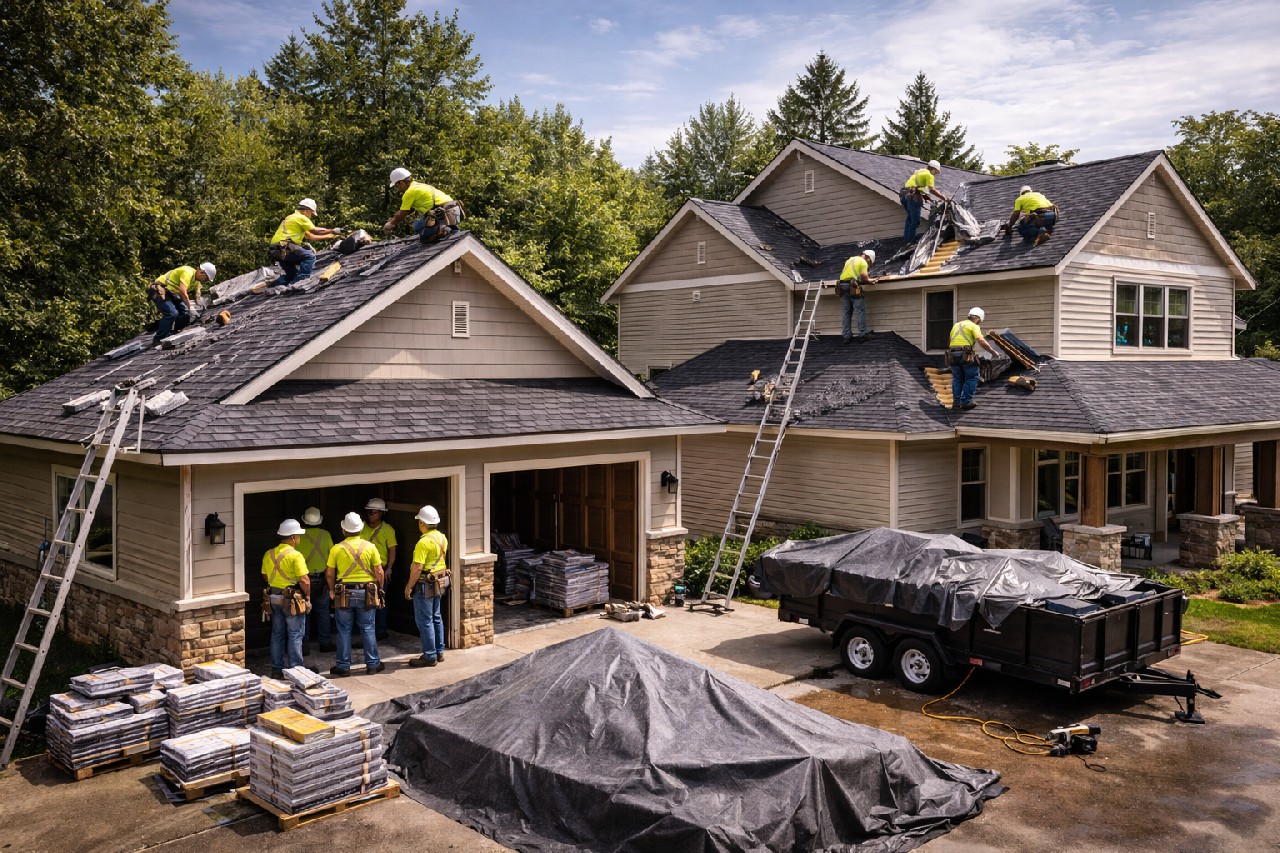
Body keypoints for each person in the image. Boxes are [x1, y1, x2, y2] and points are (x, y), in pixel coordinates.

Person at [326, 511, 385, 676]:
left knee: (343, 630)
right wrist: (380, 589)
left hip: (344, 592)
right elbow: (379, 572)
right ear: (360, 530)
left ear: (344, 531)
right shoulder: (370, 547)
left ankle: (343, 667)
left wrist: (331, 590)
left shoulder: (336, 549)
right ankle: (373, 665)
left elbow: (330, 574)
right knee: (367, 628)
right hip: (366, 592)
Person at [262, 519, 311, 678]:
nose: (299, 539)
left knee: (277, 634)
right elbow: (304, 580)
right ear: (292, 538)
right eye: (298, 536)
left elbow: (265, 575)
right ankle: (296, 670)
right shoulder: (296, 555)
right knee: (295, 634)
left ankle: (277, 670)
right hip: (291, 601)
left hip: (273, 599)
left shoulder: (268, 554)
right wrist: (308, 597)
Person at [405, 505, 448, 668]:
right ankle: (439, 651)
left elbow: (417, 568)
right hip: (440, 581)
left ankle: (429, 655)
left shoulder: (423, 543)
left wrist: (409, 586)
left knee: (425, 620)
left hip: (425, 584)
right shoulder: (442, 538)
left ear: (422, 522)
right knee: (436, 616)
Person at [268, 198, 341, 287]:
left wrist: (329, 236)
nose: (310, 216)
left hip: (276, 250)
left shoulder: (291, 218)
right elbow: (315, 231)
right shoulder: (301, 217)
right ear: (306, 211)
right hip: (284, 246)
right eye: (311, 213)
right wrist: (332, 230)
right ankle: (300, 282)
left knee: (292, 275)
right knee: (309, 256)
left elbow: (310, 236)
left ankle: (272, 286)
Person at [384, 168, 462, 244]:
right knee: (426, 223)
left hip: (441, 214)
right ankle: (452, 231)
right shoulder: (418, 185)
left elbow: (402, 214)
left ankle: (444, 230)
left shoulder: (409, 193)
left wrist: (391, 223)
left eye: (397, 186)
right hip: (454, 211)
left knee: (417, 227)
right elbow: (409, 209)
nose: (398, 188)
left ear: (401, 183)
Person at [296, 507, 335, 653]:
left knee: (304, 611)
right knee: (323, 611)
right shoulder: (326, 535)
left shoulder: (299, 537)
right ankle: (325, 642)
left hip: (304, 578)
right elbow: (332, 557)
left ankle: (304, 645)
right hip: (323, 578)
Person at [148, 263, 215, 344]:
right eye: (206, 278)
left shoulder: (197, 281)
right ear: (202, 273)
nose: (205, 281)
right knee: (172, 313)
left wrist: (200, 304)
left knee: (185, 313)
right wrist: (190, 307)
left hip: (172, 293)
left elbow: (197, 294)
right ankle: (158, 339)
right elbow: (182, 291)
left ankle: (175, 332)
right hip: (159, 289)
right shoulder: (188, 272)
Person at [361, 498, 398, 640]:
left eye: (373, 512)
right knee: (366, 602)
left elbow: (392, 550)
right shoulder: (362, 527)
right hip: (364, 571)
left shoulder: (387, 530)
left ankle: (381, 630)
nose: (370, 515)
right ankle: (367, 632)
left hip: (380, 569)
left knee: (380, 600)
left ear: (381, 513)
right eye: (369, 512)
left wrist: (389, 568)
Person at [947, 307, 998, 411]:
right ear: (978, 319)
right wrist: (993, 352)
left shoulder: (956, 325)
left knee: (957, 378)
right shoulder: (973, 326)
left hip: (952, 355)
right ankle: (966, 402)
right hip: (965, 354)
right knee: (971, 377)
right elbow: (981, 340)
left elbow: (949, 342)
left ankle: (956, 403)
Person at [900, 159, 948, 245]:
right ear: (933, 169)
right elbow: (932, 190)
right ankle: (910, 242)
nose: (935, 174)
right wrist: (944, 198)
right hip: (913, 197)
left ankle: (906, 241)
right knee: (915, 221)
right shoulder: (929, 175)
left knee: (909, 220)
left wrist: (931, 200)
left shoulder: (919, 172)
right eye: (936, 172)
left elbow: (920, 189)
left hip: (904, 196)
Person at [837, 248, 877, 343]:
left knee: (846, 311)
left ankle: (846, 336)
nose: (869, 264)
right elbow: (864, 277)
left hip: (841, 286)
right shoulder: (863, 262)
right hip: (852, 286)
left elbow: (847, 274)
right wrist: (872, 280)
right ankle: (863, 334)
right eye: (870, 262)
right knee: (860, 310)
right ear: (867, 257)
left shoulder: (849, 260)